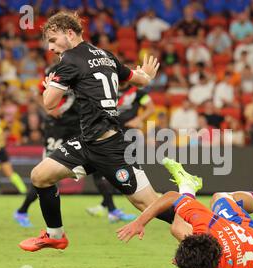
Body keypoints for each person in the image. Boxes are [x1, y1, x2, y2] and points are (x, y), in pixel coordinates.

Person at [18, 12, 173, 252]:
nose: (50, 48)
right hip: (88, 143)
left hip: (110, 147)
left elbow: (49, 104)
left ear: (69, 34)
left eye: (52, 39)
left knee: (149, 204)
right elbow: (137, 79)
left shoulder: (69, 60)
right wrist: (147, 76)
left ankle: (199, 230)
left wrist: (49, 86)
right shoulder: (105, 56)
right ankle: (55, 235)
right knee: (40, 175)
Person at [117, 158, 253, 268]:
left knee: (177, 228)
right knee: (220, 197)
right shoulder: (208, 224)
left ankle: (188, 185)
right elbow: (171, 197)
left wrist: (187, 267)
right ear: (203, 235)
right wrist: (139, 222)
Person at [13, 63, 82, 228]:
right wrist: (48, 110)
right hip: (56, 128)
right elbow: (37, 93)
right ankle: (22, 211)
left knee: (94, 164)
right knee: (46, 174)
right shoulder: (54, 71)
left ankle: (109, 207)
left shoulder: (81, 68)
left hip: (76, 127)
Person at [86, 82, 155, 221]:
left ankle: (110, 206)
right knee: (101, 171)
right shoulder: (109, 90)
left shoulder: (138, 92)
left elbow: (151, 108)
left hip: (128, 136)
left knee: (124, 170)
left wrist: (139, 119)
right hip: (108, 134)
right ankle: (108, 206)